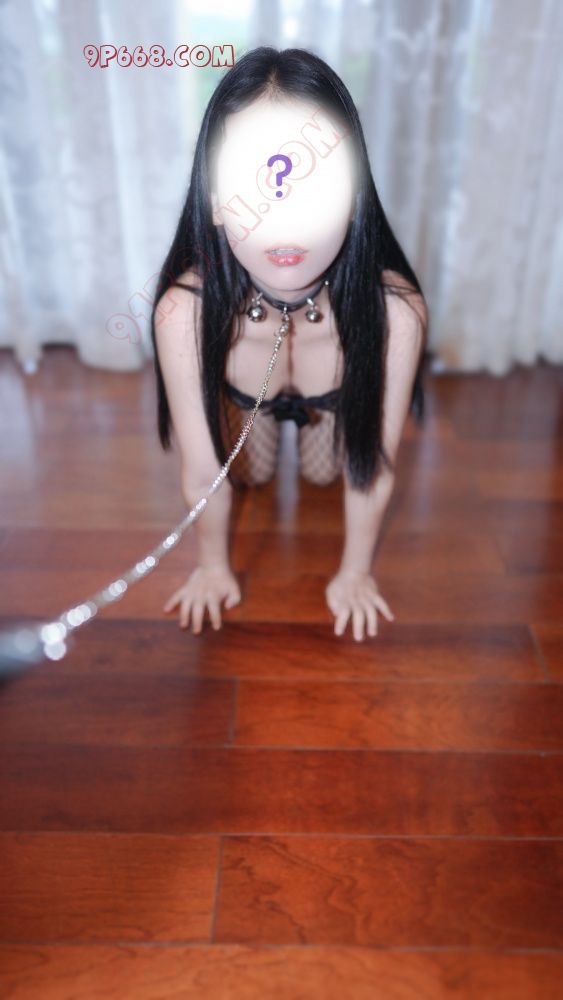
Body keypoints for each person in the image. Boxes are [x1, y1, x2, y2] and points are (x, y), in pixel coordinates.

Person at [150, 46, 428, 642]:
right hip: (245, 399)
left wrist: (355, 573)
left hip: (331, 396)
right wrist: (212, 566)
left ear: (353, 199)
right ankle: (269, 430)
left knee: (326, 474)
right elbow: (203, 472)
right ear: (217, 200)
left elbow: (371, 466)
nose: (285, 220)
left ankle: (302, 433)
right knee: (248, 472)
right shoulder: (184, 313)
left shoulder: (395, 314)